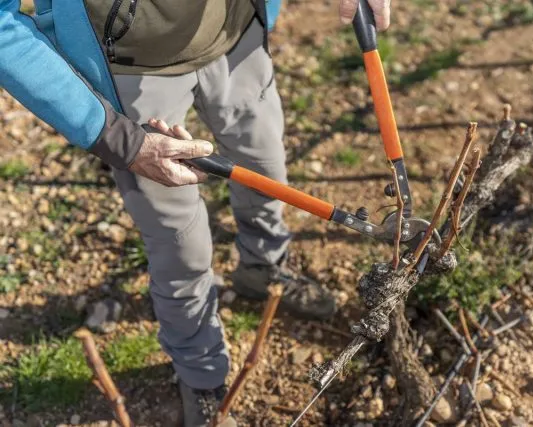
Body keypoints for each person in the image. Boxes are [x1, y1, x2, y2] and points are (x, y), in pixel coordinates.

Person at [0, 0, 391, 425]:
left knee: (267, 170)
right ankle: (201, 374)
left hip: (239, 39)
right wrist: (117, 137)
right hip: (129, 70)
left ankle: (263, 270)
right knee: (179, 243)